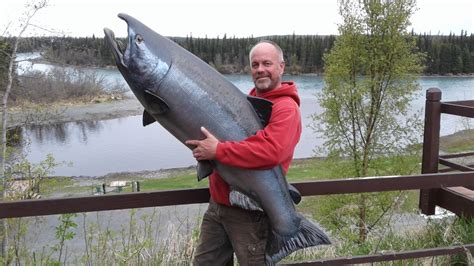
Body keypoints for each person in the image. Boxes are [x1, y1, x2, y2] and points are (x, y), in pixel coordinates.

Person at [185, 40, 302, 265]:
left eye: (267, 63)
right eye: (255, 64)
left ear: (281, 67)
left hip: (250, 211)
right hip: (218, 205)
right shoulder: (247, 102)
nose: (260, 69)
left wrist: (218, 150)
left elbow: (271, 151)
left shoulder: (286, 108)